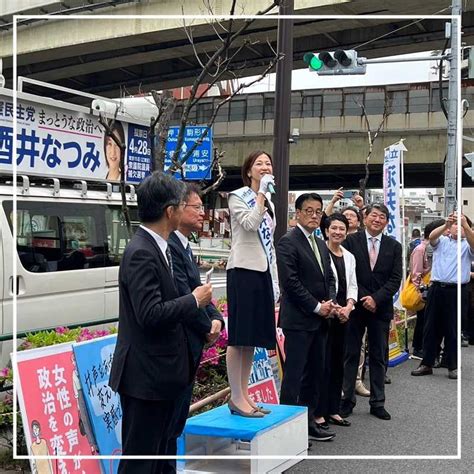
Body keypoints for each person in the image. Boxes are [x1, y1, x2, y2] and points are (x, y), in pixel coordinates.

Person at [108, 171, 212, 474]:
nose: (186, 210)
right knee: (141, 460)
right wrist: (194, 300)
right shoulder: (141, 251)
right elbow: (149, 314)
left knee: (161, 453)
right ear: (170, 211)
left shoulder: (159, 246)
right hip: (146, 378)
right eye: (183, 205)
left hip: (162, 374)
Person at [166, 183, 224, 467]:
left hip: (189, 344)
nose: (202, 213)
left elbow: (200, 291)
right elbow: (183, 293)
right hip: (176, 345)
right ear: (175, 209)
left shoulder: (184, 246)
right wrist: (206, 325)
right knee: (166, 427)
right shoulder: (168, 247)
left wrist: (216, 319)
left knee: (175, 422)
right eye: (196, 207)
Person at [277, 192, 337, 442]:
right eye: (309, 211)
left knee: (315, 374)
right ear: (298, 213)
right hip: (299, 320)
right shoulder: (288, 242)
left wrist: (330, 302)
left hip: (321, 319)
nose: (314, 215)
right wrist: (315, 306)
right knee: (294, 377)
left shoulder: (320, 243)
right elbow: (290, 283)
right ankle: (285, 431)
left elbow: (330, 278)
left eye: (318, 211)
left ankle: (309, 422)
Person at [226, 150, 279, 417]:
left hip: (262, 272)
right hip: (242, 271)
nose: (264, 166)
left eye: (268, 163)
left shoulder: (268, 201)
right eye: (259, 163)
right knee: (238, 337)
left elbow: (270, 244)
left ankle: (244, 395)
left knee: (251, 340)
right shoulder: (238, 196)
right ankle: (235, 397)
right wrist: (260, 195)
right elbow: (249, 224)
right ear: (249, 171)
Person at [340, 203, 402, 421]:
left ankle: (378, 402)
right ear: (364, 218)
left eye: (382, 217)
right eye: (374, 215)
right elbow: (346, 272)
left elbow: (396, 278)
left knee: (378, 356)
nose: (377, 219)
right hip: (355, 307)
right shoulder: (350, 241)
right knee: (350, 354)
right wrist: (363, 298)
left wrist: (376, 299)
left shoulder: (394, 246)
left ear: (387, 221)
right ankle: (346, 400)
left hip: (381, 308)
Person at [411, 213, 474, 380]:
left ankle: (452, 365)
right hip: (436, 288)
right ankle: (427, 363)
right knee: (430, 327)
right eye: (455, 224)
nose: (457, 226)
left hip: (457, 290)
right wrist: (446, 223)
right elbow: (431, 237)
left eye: (461, 224)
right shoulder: (442, 241)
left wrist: (466, 226)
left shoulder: (468, 244)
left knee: (453, 329)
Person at [319, 213, 358, 428]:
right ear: (326, 230)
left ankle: (334, 409)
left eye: (342, 228)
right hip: (325, 314)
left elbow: (353, 284)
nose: (338, 232)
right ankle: (320, 411)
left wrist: (349, 307)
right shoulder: (320, 251)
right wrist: (333, 307)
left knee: (338, 363)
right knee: (322, 364)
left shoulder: (349, 256)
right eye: (333, 228)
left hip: (344, 315)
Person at [409, 220, 445, 359]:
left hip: (433, 289)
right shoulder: (420, 249)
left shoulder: (436, 246)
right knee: (422, 319)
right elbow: (416, 271)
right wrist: (418, 289)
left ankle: (429, 347)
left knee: (431, 320)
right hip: (424, 289)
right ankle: (418, 347)